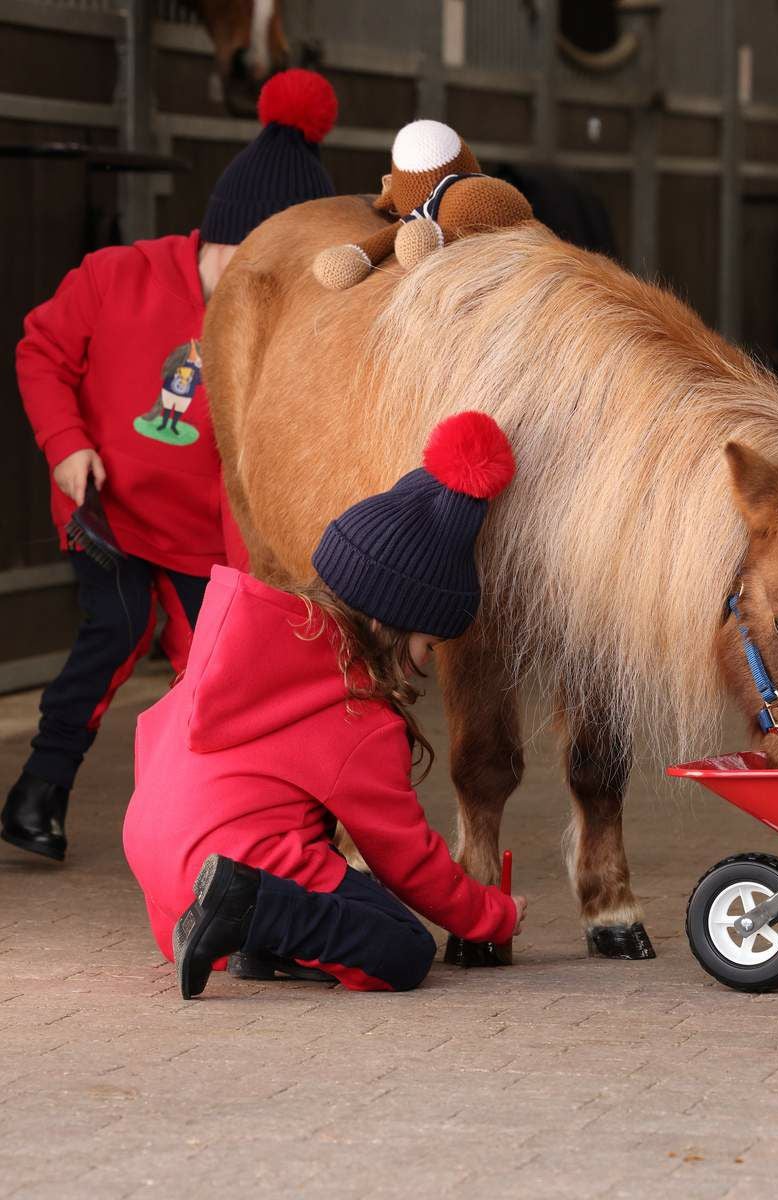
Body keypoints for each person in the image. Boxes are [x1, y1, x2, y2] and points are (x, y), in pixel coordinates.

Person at [3, 69, 339, 863]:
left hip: (199, 542)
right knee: (117, 629)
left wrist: (246, 578)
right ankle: (38, 793)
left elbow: (252, 463)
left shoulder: (278, 330)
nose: (259, 288)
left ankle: (208, 821)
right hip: (110, 513)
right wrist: (66, 445)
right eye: (250, 264)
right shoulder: (117, 276)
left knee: (214, 676)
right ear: (218, 235)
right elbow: (41, 350)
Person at [123, 412, 527, 997]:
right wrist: (493, 915)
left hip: (159, 862)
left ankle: (249, 930)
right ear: (388, 622)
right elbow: (406, 858)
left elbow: (151, 739)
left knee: (341, 901)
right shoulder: (356, 713)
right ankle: (246, 907)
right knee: (403, 947)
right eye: (428, 643)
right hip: (232, 864)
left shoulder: (236, 640)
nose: (424, 663)